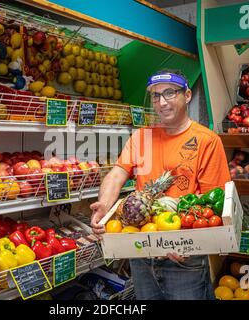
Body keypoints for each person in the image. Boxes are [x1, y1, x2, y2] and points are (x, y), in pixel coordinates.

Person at [90, 69, 231, 300]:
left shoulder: (207, 141)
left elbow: (213, 205)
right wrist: (104, 205)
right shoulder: (141, 136)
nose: (161, 102)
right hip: (141, 251)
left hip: (183, 258)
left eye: (169, 93)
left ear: (187, 95)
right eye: (155, 96)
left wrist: (188, 242)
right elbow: (117, 173)